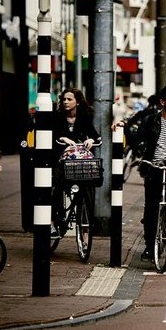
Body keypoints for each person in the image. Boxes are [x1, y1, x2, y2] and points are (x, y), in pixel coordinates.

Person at [124, 84, 166, 261]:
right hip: (154, 166)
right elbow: (136, 138)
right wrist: (123, 128)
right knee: (150, 210)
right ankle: (149, 247)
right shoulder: (151, 121)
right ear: (163, 102)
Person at [51, 88, 102, 237]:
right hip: (61, 159)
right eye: (64, 99)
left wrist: (91, 140)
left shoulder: (84, 117)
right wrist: (63, 139)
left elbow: (95, 136)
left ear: (78, 102)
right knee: (57, 187)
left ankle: (86, 219)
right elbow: (53, 134)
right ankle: (53, 223)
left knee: (88, 183)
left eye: (69, 99)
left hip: (78, 161)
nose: (65, 102)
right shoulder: (57, 117)